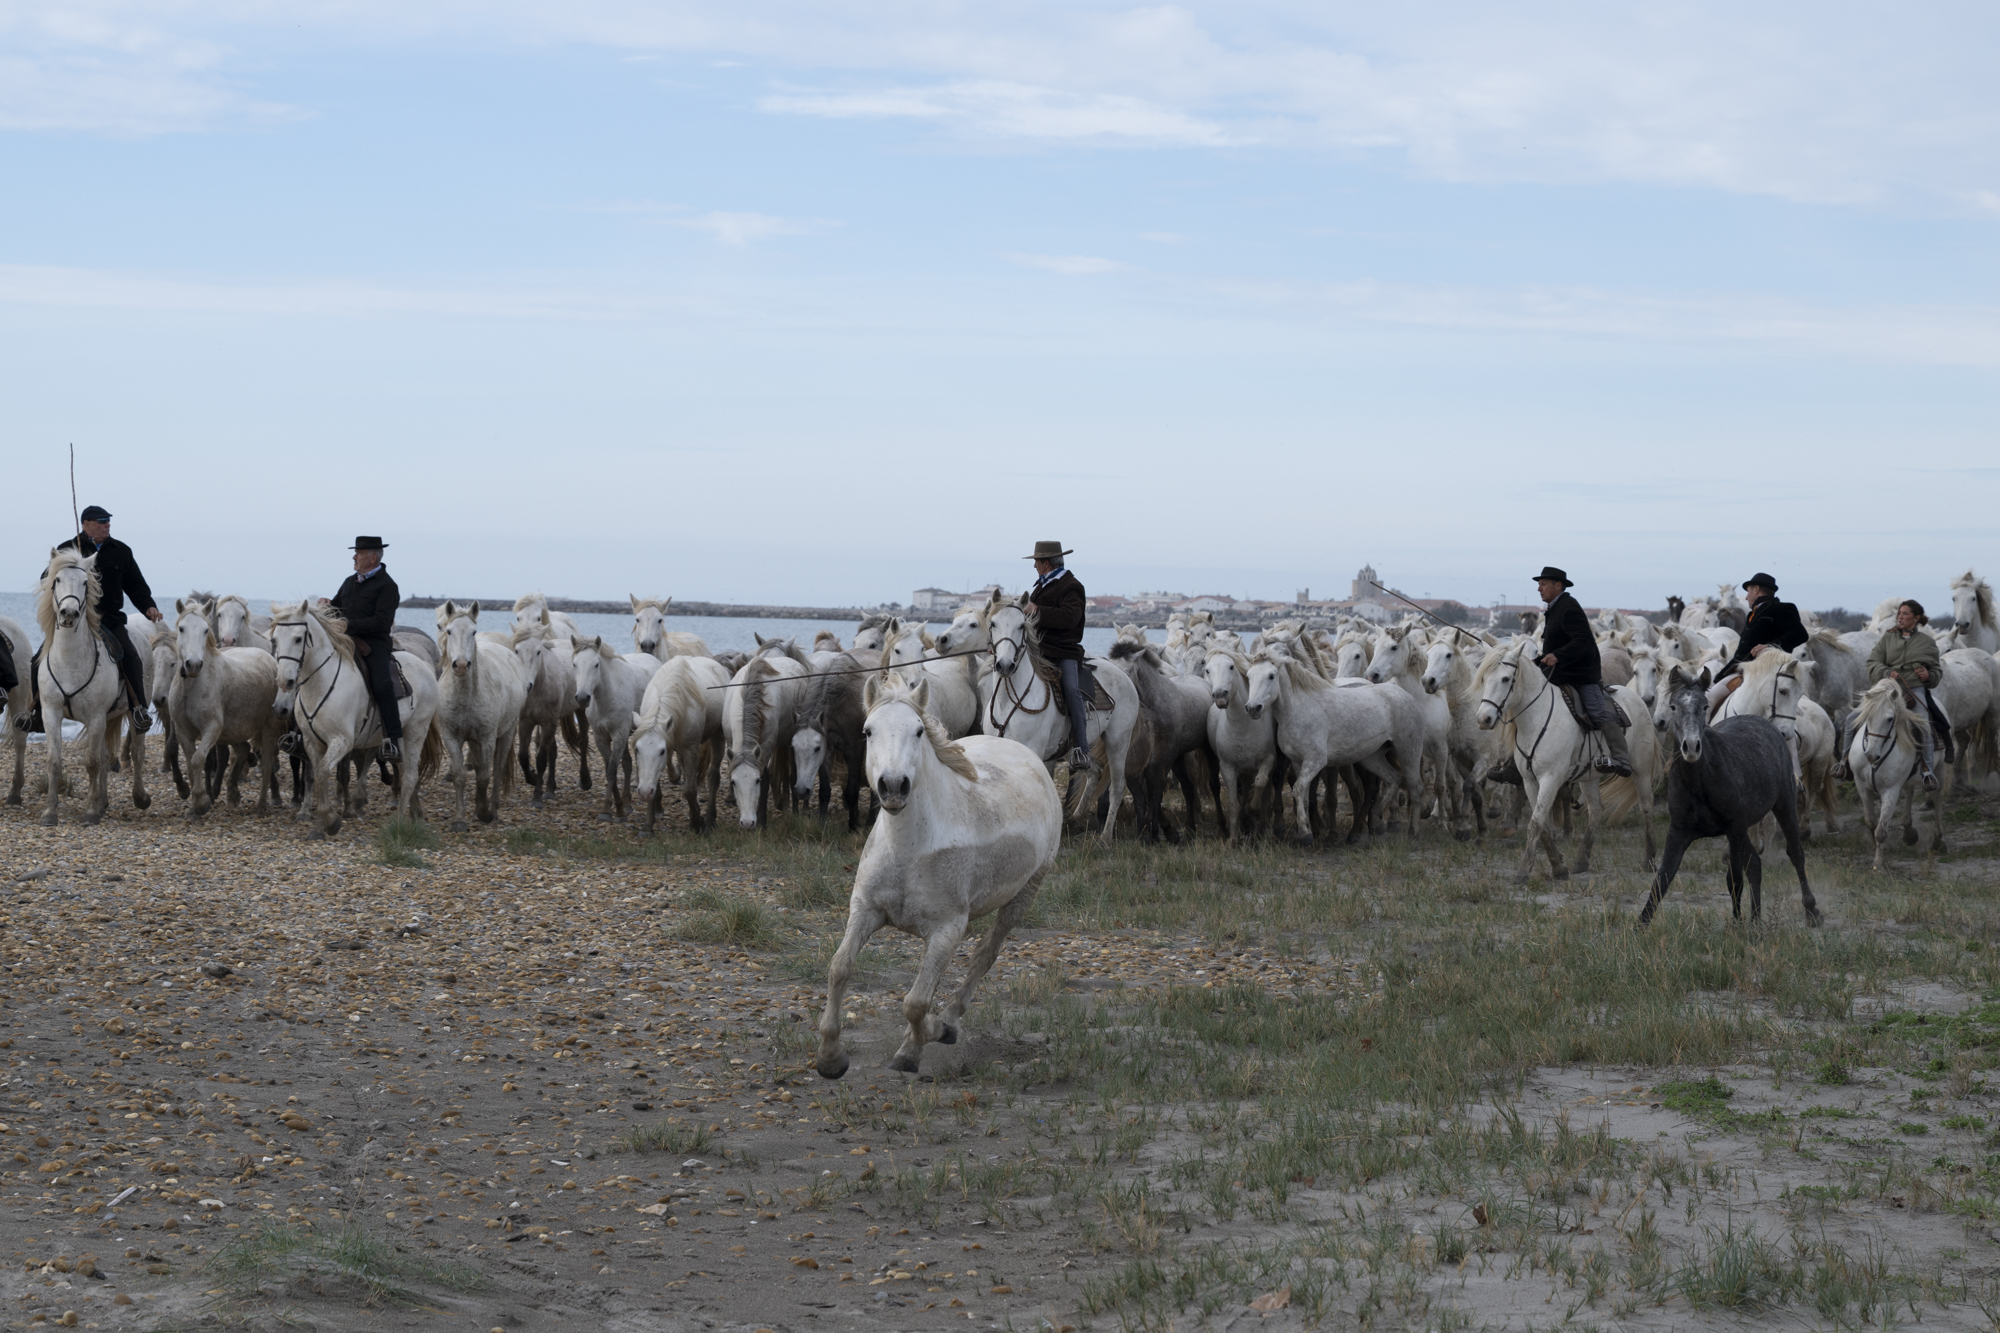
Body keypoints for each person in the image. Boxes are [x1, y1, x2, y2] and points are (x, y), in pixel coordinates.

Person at [50, 505, 163, 730]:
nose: (107, 524)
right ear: (86, 525)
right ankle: (34, 710)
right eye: (102, 520)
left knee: (131, 656)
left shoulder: (121, 551)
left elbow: (135, 585)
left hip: (109, 619)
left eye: (108, 521)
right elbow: (49, 580)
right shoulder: (66, 549)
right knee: (39, 659)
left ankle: (138, 709)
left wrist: (148, 606)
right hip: (73, 622)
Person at [1838, 599, 1951, 790]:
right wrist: (1886, 672)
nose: (1900, 616)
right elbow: (1872, 662)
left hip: (1913, 690)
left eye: (1905, 614)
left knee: (1924, 724)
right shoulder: (1887, 639)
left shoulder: (1927, 643)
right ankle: (1844, 763)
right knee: (1850, 719)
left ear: (1916, 618)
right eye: (1899, 613)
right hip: (1885, 689)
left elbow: (1937, 673)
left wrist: (1928, 675)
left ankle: (1927, 772)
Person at [1533, 566, 1633, 777]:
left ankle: (1622, 757)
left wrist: (1559, 655)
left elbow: (1584, 641)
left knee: (1599, 712)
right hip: (1559, 673)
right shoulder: (1553, 609)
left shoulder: (1568, 607)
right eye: (1538, 585)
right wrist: (1537, 661)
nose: (1539, 589)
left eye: (1543, 584)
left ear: (1557, 585)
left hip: (1580, 674)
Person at [323, 535, 404, 761]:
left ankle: (392, 740)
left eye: (358, 553)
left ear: (373, 557)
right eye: (355, 552)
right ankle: (299, 732)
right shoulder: (350, 581)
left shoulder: (388, 586)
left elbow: (381, 622)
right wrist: (328, 605)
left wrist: (348, 624)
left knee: (383, 683)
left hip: (373, 643)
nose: (354, 556)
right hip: (343, 638)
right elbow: (338, 606)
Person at [1025, 540, 1093, 773]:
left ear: (1046, 563)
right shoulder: (1040, 586)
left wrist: (1037, 610)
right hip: (1039, 651)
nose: (1034, 566)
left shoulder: (1072, 586)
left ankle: (1081, 748)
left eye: (1036, 561)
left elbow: (1069, 618)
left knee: (1072, 690)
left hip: (1063, 651)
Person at [1703, 573, 1807, 712]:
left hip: (1763, 670)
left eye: (1748, 592)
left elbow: (1800, 634)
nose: (1746, 597)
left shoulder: (1783, 609)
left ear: (1756, 590)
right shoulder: (1753, 613)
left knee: (1709, 698)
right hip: (1740, 667)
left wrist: (1770, 647)